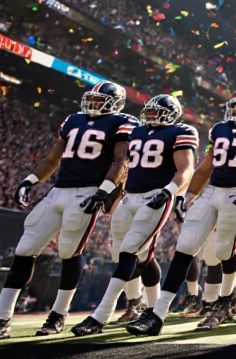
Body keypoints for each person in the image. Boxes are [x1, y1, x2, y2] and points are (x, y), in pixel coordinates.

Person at [127, 91, 236, 337]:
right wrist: (186, 197)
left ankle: (226, 299)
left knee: (224, 251)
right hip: (211, 191)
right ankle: (157, 314)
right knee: (185, 246)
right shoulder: (220, 129)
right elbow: (205, 168)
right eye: (235, 106)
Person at [1, 82, 136, 339]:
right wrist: (30, 180)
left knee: (69, 251)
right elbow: (53, 159)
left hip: (86, 192)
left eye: (100, 101)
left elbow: (122, 160)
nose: (93, 104)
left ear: (115, 104)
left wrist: (103, 190)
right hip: (58, 191)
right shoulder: (74, 119)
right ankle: (2, 316)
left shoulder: (121, 123)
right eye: (92, 99)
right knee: (25, 249)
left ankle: (58, 314)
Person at [71, 95, 198, 336]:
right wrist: (112, 192)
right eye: (149, 111)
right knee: (133, 255)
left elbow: (186, 168)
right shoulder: (137, 132)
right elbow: (128, 166)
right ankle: (150, 309)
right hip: (129, 196)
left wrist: (169, 191)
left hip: (154, 195)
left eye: (156, 112)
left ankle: (101, 315)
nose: (151, 116)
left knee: (130, 250)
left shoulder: (180, 132)